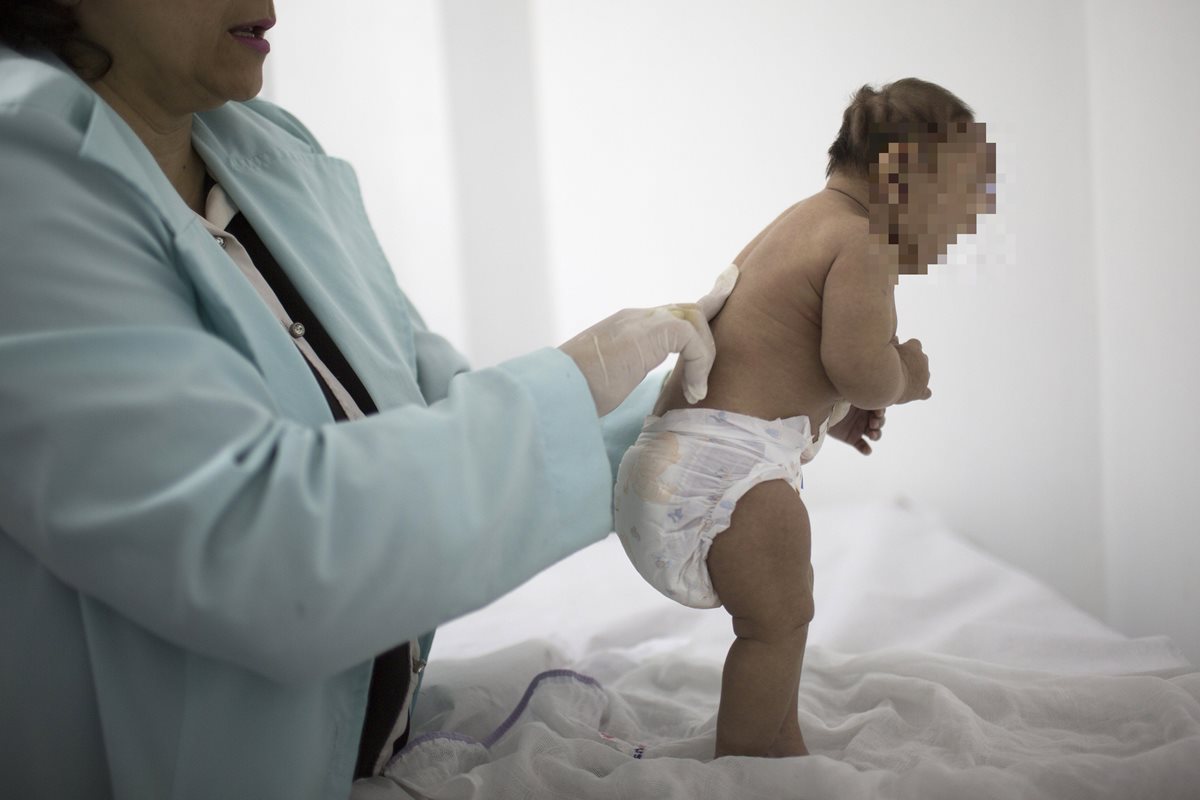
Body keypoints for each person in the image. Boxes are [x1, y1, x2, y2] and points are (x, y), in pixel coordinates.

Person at [0, 2, 737, 797]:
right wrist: (574, 378)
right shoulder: (21, 169)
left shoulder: (267, 149)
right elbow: (265, 553)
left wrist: (704, 411)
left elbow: (429, 423)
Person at [614, 78, 997, 758]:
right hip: (717, 473)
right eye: (962, 201)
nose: (966, 227)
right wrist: (903, 376)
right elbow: (858, 365)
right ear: (899, 171)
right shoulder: (863, 242)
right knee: (780, 619)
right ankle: (757, 752)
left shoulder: (801, 223)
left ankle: (772, 728)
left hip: (671, 462)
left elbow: (776, 360)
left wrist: (838, 419)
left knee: (775, 612)